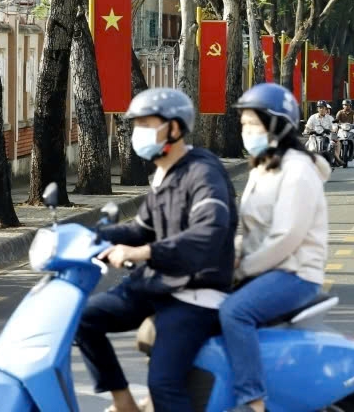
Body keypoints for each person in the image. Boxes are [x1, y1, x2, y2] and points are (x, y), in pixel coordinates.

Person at [75, 89, 237, 412]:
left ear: (174, 128)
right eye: (137, 125)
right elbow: (142, 229)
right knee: (83, 318)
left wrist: (141, 253)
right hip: (159, 284)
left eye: (148, 124)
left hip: (195, 292)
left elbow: (209, 232)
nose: (139, 133)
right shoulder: (163, 174)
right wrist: (91, 236)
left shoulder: (203, 173)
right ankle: (124, 402)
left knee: (163, 383)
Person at [223, 83, 330, 412]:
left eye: (253, 124)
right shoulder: (261, 167)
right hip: (263, 268)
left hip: (293, 273)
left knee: (234, 312)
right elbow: (246, 227)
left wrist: (242, 270)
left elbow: (286, 238)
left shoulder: (297, 171)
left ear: (278, 126)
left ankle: (254, 401)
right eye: (243, 124)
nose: (246, 131)